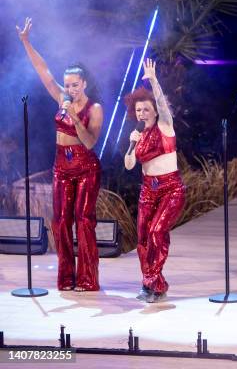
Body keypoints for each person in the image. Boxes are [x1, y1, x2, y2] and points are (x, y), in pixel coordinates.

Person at [17, 17, 103, 291]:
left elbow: (90, 143)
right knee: (61, 221)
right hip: (61, 167)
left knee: (83, 220)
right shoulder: (61, 98)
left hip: (85, 166)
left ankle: (88, 279)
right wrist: (26, 42)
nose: (70, 89)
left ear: (84, 84)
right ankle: (66, 277)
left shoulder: (95, 108)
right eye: (67, 84)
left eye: (75, 85)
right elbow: (43, 71)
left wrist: (76, 119)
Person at [124, 58, 186, 303]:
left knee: (156, 232)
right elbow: (129, 165)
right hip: (148, 190)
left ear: (154, 110)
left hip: (171, 189)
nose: (142, 112)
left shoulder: (165, 125)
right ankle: (150, 284)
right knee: (142, 238)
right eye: (138, 110)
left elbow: (161, 101)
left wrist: (153, 79)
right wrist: (131, 145)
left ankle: (156, 285)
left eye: (146, 108)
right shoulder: (139, 134)